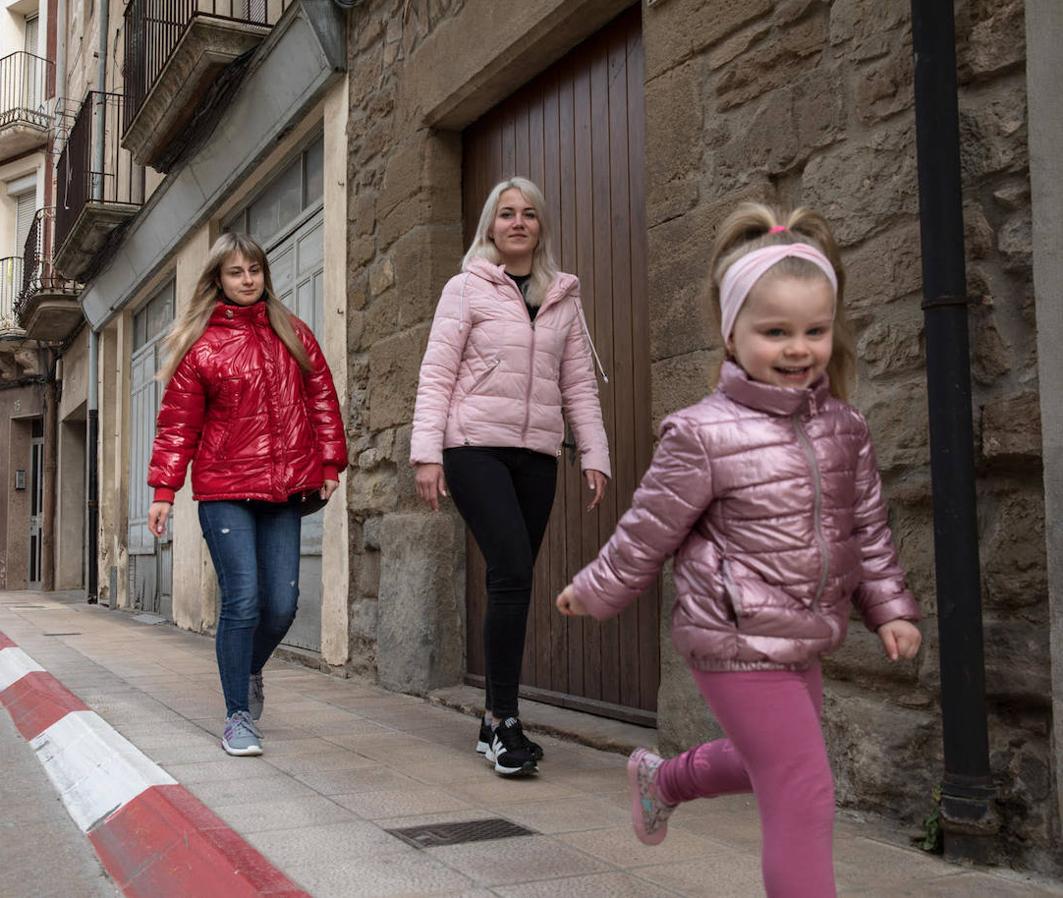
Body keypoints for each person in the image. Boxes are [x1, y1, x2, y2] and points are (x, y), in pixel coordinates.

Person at [556, 202, 921, 896]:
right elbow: (646, 528)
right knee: (803, 790)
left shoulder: (845, 426)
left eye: (814, 330)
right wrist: (598, 587)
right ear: (731, 335)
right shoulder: (701, 433)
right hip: (729, 635)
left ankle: (660, 781)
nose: (797, 347)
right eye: (774, 331)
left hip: (802, 636)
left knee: (766, 764)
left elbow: (867, 531)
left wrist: (890, 610)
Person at [410, 177, 611, 777]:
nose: (518, 222)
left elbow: (576, 382)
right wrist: (427, 453)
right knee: (513, 569)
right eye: (506, 214)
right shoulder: (465, 289)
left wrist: (593, 451)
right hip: (474, 447)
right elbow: (436, 371)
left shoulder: (563, 298)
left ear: (540, 226)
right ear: (490, 228)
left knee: (513, 580)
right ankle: (504, 722)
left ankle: (493, 719)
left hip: (537, 454)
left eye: (528, 214)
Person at [146, 233, 347, 758]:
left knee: (281, 605)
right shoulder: (201, 346)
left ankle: (250, 667)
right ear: (218, 279)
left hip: (284, 489)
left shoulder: (293, 333)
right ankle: (237, 715)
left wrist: (330, 462)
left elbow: (321, 398)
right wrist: (164, 490)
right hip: (225, 490)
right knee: (243, 600)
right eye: (236, 272)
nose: (248, 279)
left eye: (254, 269)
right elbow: (176, 425)